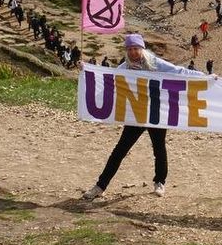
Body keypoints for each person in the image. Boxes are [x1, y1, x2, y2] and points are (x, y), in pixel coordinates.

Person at [83, 34, 205, 199]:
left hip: (156, 113)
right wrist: (87, 70)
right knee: (119, 151)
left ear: (142, 49)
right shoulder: (124, 68)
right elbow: (107, 79)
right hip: (136, 115)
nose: (133, 52)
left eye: (136, 49)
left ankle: (160, 182)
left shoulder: (155, 63)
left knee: (159, 149)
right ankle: (100, 186)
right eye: (130, 49)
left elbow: (178, 71)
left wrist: (205, 77)